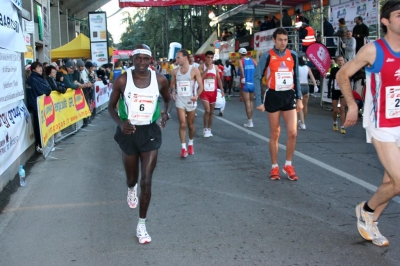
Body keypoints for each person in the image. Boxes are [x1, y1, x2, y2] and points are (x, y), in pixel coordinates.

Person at [336, 1, 400, 247]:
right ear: (385, 21)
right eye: (399, 15)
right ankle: (367, 209)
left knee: (390, 182)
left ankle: (369, 220)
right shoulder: (374, 50)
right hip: (381, 123)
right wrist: (352, 105)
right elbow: (343, 74)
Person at [108, 44, 172, 244]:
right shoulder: (122, 79)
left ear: (151, 60)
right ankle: (130, 187)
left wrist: (166, 114)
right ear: (133, 60)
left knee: (147, 179)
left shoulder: (159, 79)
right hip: (129, 131)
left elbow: (168, 100)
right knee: (132, 178)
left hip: (150, 132)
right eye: (138, 59)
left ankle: (142, 225)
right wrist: (120, 124)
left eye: (146, 59)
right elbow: (111, 107)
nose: (142, 63)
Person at [254, 27, 303, 181]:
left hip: (289, 95)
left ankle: (288, 165)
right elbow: (257, 77)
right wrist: (259, 101)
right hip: (273, 95)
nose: (283, 43)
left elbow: (296, 79)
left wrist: (300, 98)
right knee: (275, 133)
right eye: (280, 40)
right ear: (274, 40)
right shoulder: (267, 56)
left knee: (293, 133)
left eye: (285, 40)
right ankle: (274, 166)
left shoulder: (293, 55)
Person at [170, 49, 204, 157]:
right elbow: (172, 84)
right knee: (182, 124)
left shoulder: (194, 70)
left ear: (185, 57)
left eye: (178, 57)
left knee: (190, 125)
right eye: (176, 57)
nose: (177, 59)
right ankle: (183, 148)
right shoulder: (175, 71)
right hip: (180, 100)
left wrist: (197, 95)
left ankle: (190, 143)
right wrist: (173, 91)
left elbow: (201, 86)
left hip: (191, 100)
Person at [26, 62, 52, 153]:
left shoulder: (32, 78)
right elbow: (48, 90)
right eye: (38, 68)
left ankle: (41, 145)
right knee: (39, 128)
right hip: (37, 106)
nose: (40, 69)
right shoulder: (35, 79)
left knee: (39, 127)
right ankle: (41, 146)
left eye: (41, 67)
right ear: (33, 69)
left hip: (35, 105)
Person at [199, 50, 224, 137]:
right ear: (205, 58)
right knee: (207, 110)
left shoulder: (216, 67)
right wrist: (207, 69)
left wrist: (222, 89)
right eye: (208, 57)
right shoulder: (201, 67)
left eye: (211, 58)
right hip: (204, 92)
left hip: (213, 92)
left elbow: (219, 79)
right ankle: (205, 128)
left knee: (212, 112)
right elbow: (200, 78)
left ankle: (209, 129)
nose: (210, 59)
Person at [238, 47, 257, 128]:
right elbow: (258, 67)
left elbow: (241, 68)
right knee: (251, 102)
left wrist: (243, 77)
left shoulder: (240, 60)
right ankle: (250, 120)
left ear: (240, 54)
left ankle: (250, 121)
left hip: (245, 83)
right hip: (253, 83)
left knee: (247, 103)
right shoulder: (253, 60)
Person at [328, 55, 347, 134]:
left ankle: (342, 127)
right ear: (336, 62)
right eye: (339, 60)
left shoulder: (346, 70)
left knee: (342, 109)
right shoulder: (333, 70)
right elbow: (330, 81)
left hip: (343, 91)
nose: (340, 62)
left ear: (344, 61)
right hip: (335, 90)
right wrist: (329, 92)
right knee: (335, 110)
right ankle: (335, 122)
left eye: (342, 60)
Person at [297, 57, 318, 130]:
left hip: (299, 86)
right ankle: (302, 121)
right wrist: (315, 85)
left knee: (299, 106)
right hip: (306, 86)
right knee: (305, 106)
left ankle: (302, 123)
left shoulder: (296, 67)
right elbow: (312, 76)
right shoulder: (307, 67)